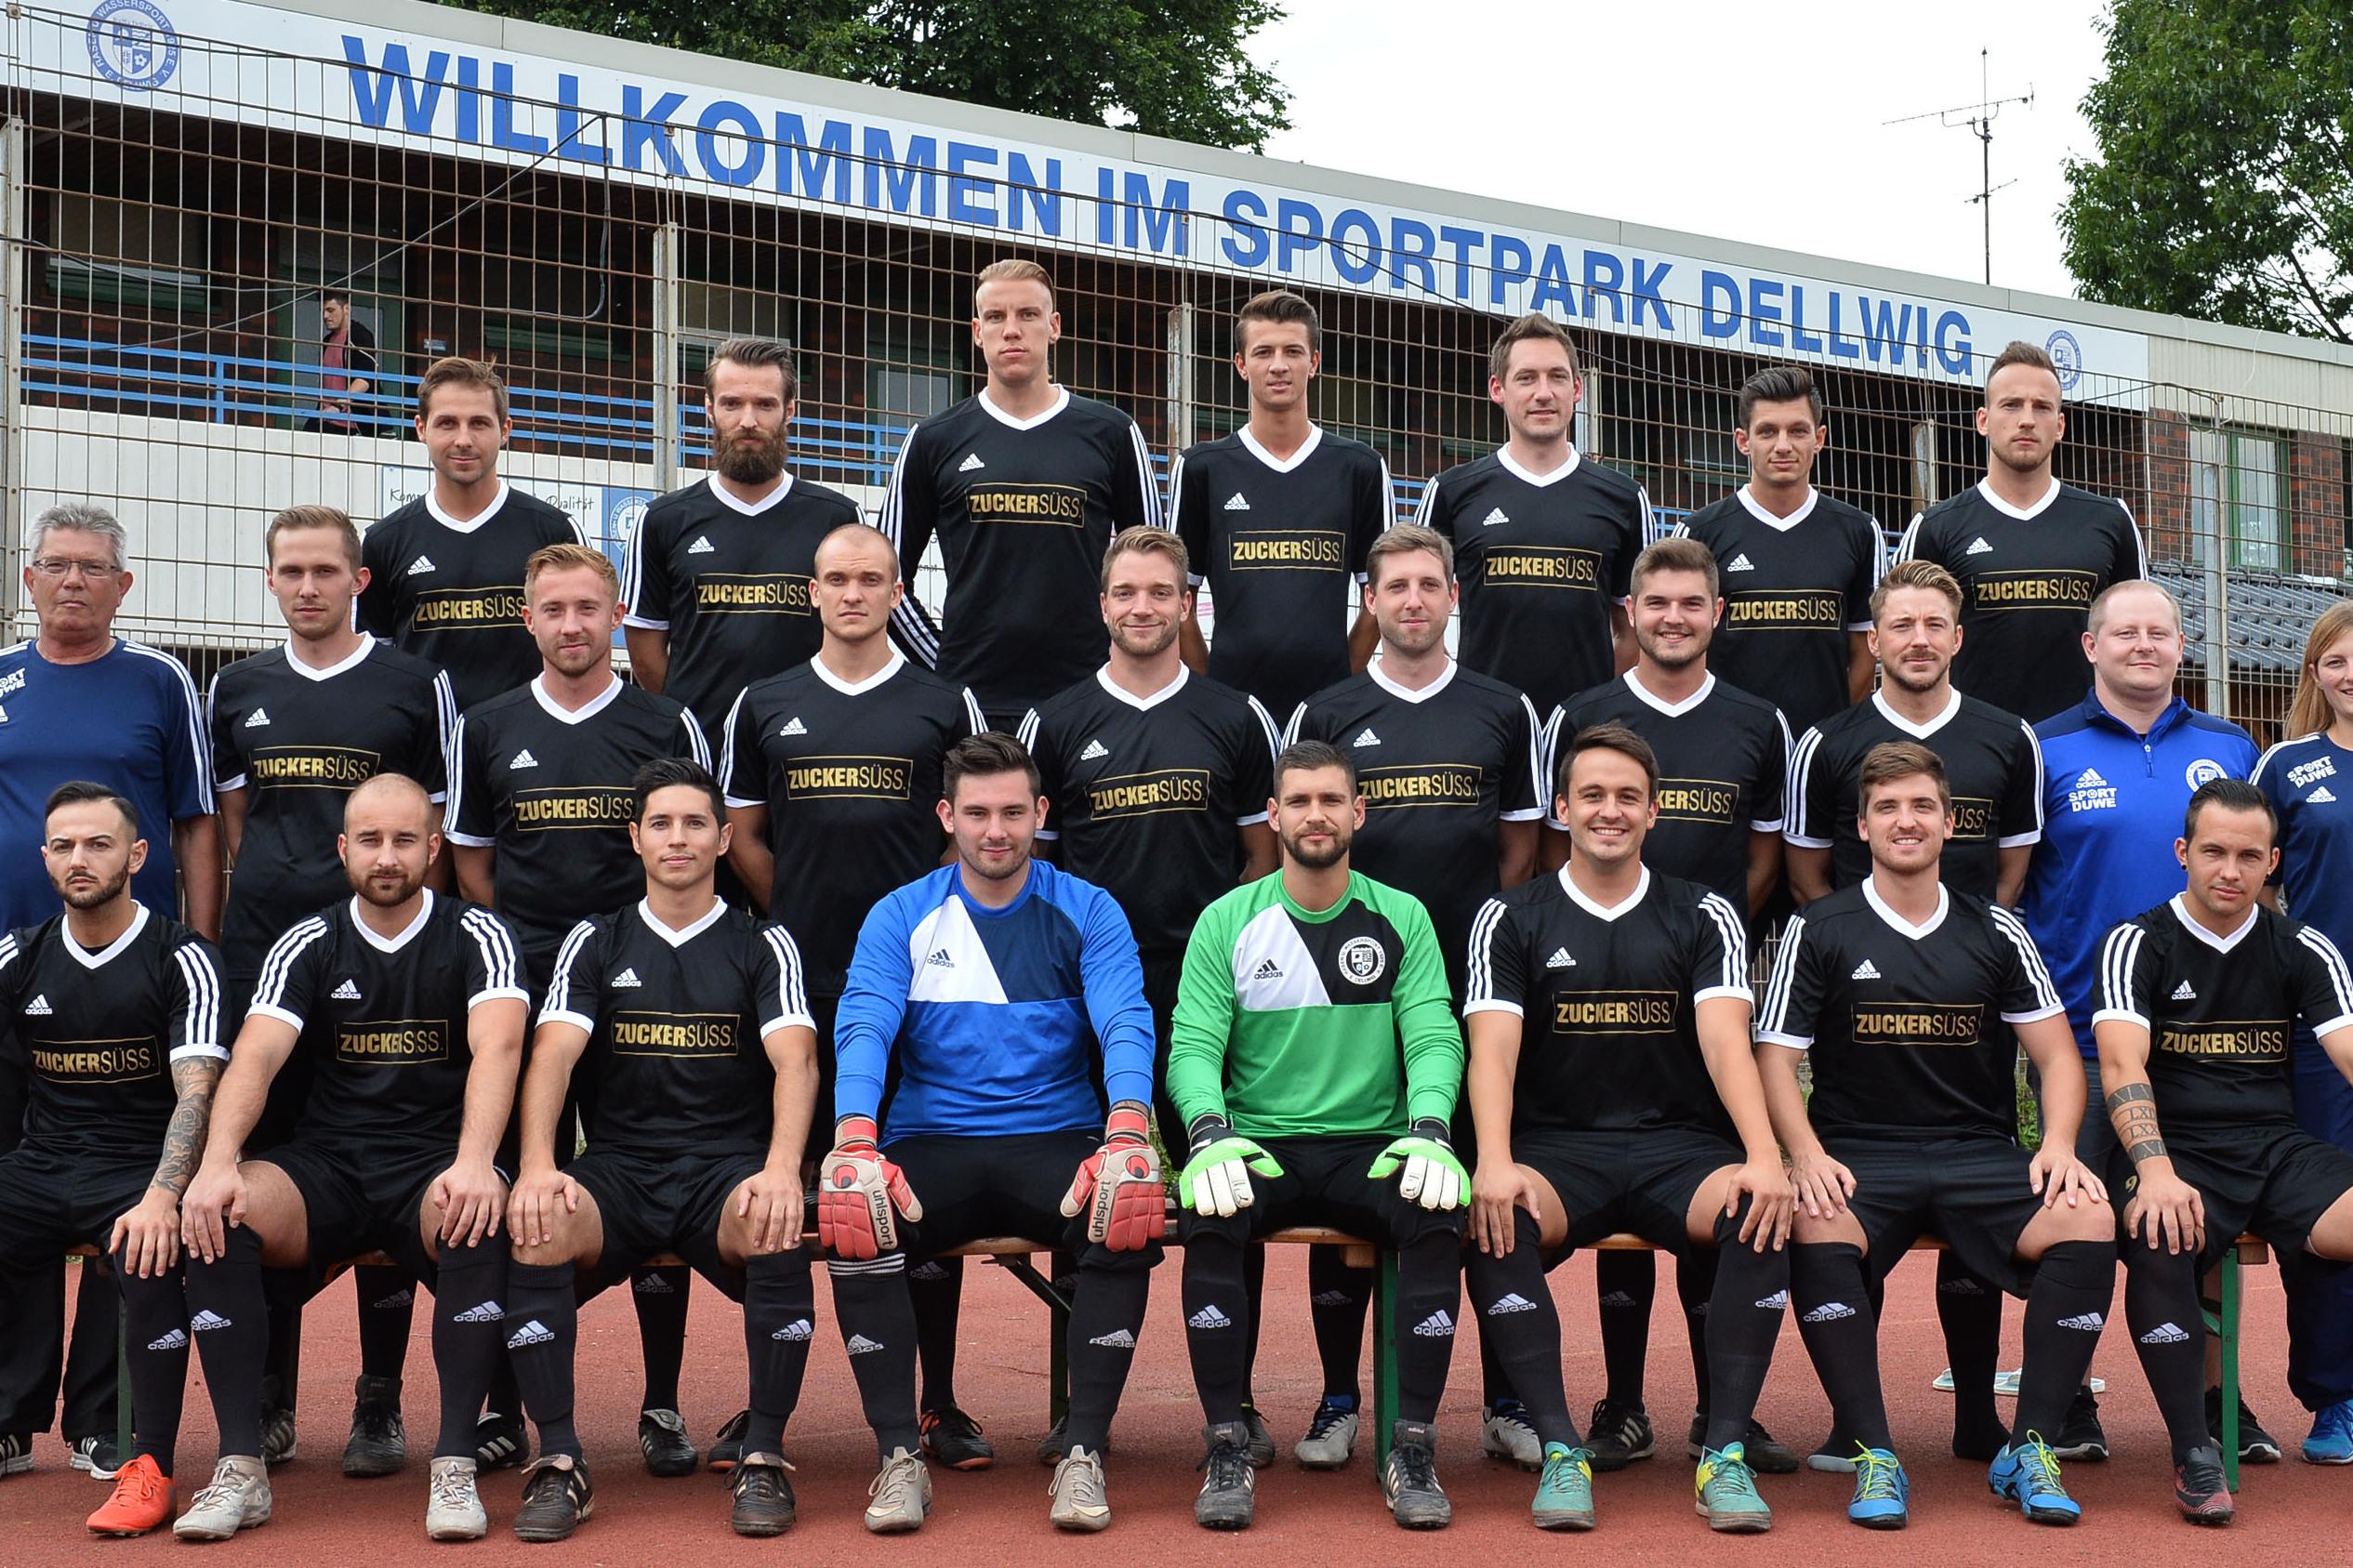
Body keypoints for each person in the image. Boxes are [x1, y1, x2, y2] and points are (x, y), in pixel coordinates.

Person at [1757, 741, 2116, 1530]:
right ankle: (1873, 1451)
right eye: (1887, 807)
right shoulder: (1817, 928)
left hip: (1977, 1153)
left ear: (1950, 823)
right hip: (1859, 1152)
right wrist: (1805, 1155)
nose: (1905, 820)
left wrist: (2056, 1143)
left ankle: (2029, 1447)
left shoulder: (1995, 928)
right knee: (1810, 1217)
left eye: (1921, 805)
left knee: (2088, 1215)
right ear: (1860, 825)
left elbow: (2058, 1056)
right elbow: (1774, 1058)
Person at [818, 732, 1160, 1534]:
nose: (996, 830)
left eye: (1013, 811)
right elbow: (863, 1021)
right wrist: (855, 1134)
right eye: (976, 813)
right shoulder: (901, 912)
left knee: (1125, 1204)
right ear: (948, 815)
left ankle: (1083, 1452)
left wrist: (1128, 1124)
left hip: (1059, 1132)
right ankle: (899, 1456)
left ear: (1041, 813)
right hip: (932, 1136)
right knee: (856, 1213)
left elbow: (1124, 1017)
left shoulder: (1087, 908)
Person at [1460, 721, 1794, 1534]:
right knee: (1492, 1218)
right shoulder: (1507, 917)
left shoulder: (1703, 912)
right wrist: (1494, 1160)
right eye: (1592, 796)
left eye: (1627, 797)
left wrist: (1762, 1155)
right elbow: (1492, 1055)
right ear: (1562, 808)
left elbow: (1724, 1041)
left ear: (1652, 812)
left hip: (1678, 1149)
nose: (1609, 810)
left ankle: (1722, 1451)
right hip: (1556, 1149)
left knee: (1759, 1213)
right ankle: (1559, 1446)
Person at [174, 775, 526, 1542]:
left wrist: (475, 1161)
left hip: (432, 1163)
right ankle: (241, 1466)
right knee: (217, 1210)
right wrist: (217, 1161)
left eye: (405, 839)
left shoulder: (479, 936)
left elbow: (498, 1045)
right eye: (370, 839)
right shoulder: (308, 939)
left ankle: (456, 1464)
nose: (388, 855)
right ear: (343, 849)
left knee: (476, 1211)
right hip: (330, 1163)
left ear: (434, 848)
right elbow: (257, 1057)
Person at [720, 522, 985, 1469]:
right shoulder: (764, 702)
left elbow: (966, 833)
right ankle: (764, 1410)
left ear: (896, 590)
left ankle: (936, 1402)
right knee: (783, 1188)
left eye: (871, 578)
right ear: (812, 590)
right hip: (795, 981)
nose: (852, 593)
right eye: (835, 578)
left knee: (914, 1192)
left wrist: (908, 932)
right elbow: (741, 833)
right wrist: (787, 912)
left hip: (918, 985)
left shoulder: (940, 698)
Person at [500, 759, 819, 1541]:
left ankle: (765, 1457)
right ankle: (561, 1460)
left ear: (724, 836)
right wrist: (540, 1166)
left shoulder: (762, 941)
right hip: (621, 1167)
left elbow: (796, 1061)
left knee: (775, 1219)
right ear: (636, 837)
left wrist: (781, 1169)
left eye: (695, 823)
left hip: (725, 1168)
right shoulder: (596, 938)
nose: (679, 838)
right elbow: (551, 1057)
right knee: (539, 1222)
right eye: (662, 824)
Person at [443, 542, 710, 1469]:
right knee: (521, 1189)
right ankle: (501, 1409)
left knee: (650, 1173)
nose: (572, 625)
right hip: (526, 997)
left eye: (589, 608)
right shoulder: (486, 726)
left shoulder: (667, 720)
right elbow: (471, 856)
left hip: (641, 985)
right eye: (553, 609)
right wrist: (516, 953)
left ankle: (663, 1404)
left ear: (613, 615)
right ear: (528, 618)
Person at [1015, 525, 1279, 1464]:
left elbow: (1260, 865)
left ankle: (1235, 1401)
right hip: (1091, 997)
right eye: (1124, 591)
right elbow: (1037, 881)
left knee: (1222, 1190)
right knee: (1091, 1194)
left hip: (1208, 995)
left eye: (1158, 592)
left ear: (1184, 604)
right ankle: (1082, 1409)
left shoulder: (1235, 717)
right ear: (1102, 605)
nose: (1140, 606)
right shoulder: (1053, 722)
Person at [1284, 521, 1543, 1467]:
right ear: (1370, 599)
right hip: (1348, 985)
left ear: (1452, 596)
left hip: (1468, 987)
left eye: (1428, 584)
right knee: (1345, 1182)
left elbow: (1520, 850)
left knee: (1472, 1186)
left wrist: (1480, 949)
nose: (1412, 601)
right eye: (1393, 585)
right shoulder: (1327, 708)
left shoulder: (1502, 708)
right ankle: (1338, 1396)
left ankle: (1508, 1397)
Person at [207, 503, 458, 1477]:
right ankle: (269, 1399)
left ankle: (380, 1398)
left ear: (360, 580)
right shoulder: (236, 689)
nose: (307, 585)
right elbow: (234, 824)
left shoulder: (415, 683)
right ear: (270, 582)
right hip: (269, 959)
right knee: (272, 1174)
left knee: (387, 1161)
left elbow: (434, 823)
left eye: (325, 570)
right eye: (290, 571)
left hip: (388, 965)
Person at [1542, 536, 1796, 1475]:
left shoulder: (1757, 722)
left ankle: (1717, 1410)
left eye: (1692, 603)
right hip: (1600, 985)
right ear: (1630, 614)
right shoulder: (1581, 715)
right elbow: (1547, 844)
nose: (1674, 618)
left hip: (1706, 979)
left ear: (1715, 614)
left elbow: (1765, 856)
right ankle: (1618, 1403)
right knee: (1617, 1178)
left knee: (1705, 1184)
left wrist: (1715, 932)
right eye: (1657, 604)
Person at [1169, 738, 1468, 1531]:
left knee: (1436, 1213)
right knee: (1210, 1212)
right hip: (1257, 1141)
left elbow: (1433, 1035)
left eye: (1330, 800)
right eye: (1297, 800)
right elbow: (1193, 1044)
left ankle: (1412, 1445)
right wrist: (1205, 1132)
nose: (1314, 814)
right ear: (1272, 814)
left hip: (1369, 1140)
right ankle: (1226, 1442)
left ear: (1357, 813)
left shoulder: (1400, 915)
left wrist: (1432, 1126)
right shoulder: (1226, 920)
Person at [1786, 557, 2046, 1466]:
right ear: (1876, 636)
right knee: (1860, 1204)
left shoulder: (2005, 738)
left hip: (1968, 993)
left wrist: (1973, 947)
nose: (1918, 640)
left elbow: (2011, 869)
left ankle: (1977, 1411)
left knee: (1969, 1213)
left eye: (1934, 624)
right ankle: (1851, 1418)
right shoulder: (1827, 741)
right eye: (1900, 624)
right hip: (1859, 1002)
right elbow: (1808, 867)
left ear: (1957, 636)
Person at [0, 503, 217, 1478]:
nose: (73, 580)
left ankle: (99, 1419)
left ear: (123, 584)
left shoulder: (161, 678)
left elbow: (198, 820)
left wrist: (200, 946)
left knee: (127, 1182)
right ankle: (9, 1410)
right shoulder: (0, 676)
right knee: (21, 1181)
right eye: (56, 565)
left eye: (92, 566)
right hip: (17, 969)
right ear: (30, 578)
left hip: (136, 969)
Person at [2026, 580, 2260, 1461]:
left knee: (2190, 1223)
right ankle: (2071, 1401)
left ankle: (2210, 1400)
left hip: (2199, 1041)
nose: (2142, 646)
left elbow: (2250, 888)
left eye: (2159, 633)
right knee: (2076, 1226)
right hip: (2079, 1038)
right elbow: (2016, 887)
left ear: (2178, 645)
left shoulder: (2227, 745)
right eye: (2123, 633)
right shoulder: (2043, 746)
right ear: (2090, 647)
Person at [2093, 777, 2353, 1524]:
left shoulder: (2301, 945)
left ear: (2272, 860)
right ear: (2183, 851)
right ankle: (2194, 1449)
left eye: (2247, 855)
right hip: (2175, 1151)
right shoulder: (2136, 941)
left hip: (2274, 1148)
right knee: (2155, 1232)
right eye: (2212, 851)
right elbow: (2120, 1066)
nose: (2228, 870)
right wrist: (2155, 1170)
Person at [0, 783, 222, 1538]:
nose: (78, 859)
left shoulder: (181, 956)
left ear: (136, 854)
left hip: (139, 1163)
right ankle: (9, 1418)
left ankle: (129, 1446)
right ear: (45, 858)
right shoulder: (18, 953)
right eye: (63, 845)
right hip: (42, 1159)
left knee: (147, 1244)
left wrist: (164, 1194)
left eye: (97, 844)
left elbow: (197, 1091)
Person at [880, 258, 1160, 731]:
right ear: (976, 330)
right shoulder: (933, 440)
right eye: (996, 317)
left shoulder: (1112, 433)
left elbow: (1159, 572)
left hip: (1088, 699)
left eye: (1028, 315)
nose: (1012, 330)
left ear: (1054, 327)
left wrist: (1118, 668)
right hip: (973, 703)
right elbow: (881, 580)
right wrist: (944, 667)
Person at [621, 337, 864, 747]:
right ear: (709, 408)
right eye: (732, 404)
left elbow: (860, 635)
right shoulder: (662, 521)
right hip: (700, 749)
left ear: (789, 411)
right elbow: (645, 647)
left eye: (765, 405)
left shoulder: (837, 518)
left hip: (810, 746)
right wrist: (689, 718)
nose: (748, 420)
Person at [1894, 340, 2147, 725]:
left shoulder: (2110, 521)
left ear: (2059, 425)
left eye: (2042, 407)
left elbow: (2140, 638)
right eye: (2011, 405)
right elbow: (1903, 647)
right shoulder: (1935, 528)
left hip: (2085, 744)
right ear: (1983, 420)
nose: (2026, 419)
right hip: (1975, 744)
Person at [1414, 310, 1649, 717]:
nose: (1544, 392)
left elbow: (1636, 628)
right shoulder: (1452, 492)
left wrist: (1595, 703)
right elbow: (1414, 607)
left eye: (1557, 377)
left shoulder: (1623, 498)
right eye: (1526, 378)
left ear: (1577, 389)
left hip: (1586, 730)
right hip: (1480, 722)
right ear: (1497, 389)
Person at [1170, 289, 1386, 720]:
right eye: (1263, 352)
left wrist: (1342, 678)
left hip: (1328, 710)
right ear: (1241, 365)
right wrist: (1210, 686)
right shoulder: (1201, 469)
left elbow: (1381, 597)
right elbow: (1177, 599)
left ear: (1315, 362)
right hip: (1231, 711)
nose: (1279, 365)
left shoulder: (1359, 468)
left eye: (1293, 351)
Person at [2254, 602, 2353, 1463]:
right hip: (2322, 1025)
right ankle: (2333, 1398)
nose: (2351, 672)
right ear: (2314, 674)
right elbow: (2246, 882)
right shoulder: (2286, 764)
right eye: (2336, 659)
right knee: (2327, 1208)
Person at [359, 358, 587, 711]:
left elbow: (584, 645)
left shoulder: (554, 530)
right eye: (447, 423)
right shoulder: (383, 541)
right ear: (421, 429)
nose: (463, 440)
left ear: (505, 429)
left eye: (479, 423)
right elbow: (377, 665)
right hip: (426, 749)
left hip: (528, 742)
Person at [1670, 364, 1884, 735]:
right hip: (1726, 744)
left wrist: (1831, 733)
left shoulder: (1859, 531)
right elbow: (1679, 644)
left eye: (1797, 431)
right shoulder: (1698, 533)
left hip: (1824, 748)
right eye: (1767, 431)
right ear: (1743, 440)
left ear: (1818, 438)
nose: (1783, 445)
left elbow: (1866, 648)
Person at [306, 289, 377, 435]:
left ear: (346, 309)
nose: (325, 316)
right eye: (323, 311)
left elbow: (364, 379)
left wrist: (338, 406)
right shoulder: (327, 341)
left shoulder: (359, 336)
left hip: (349, 423)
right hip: (324, 417)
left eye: (331, 310)